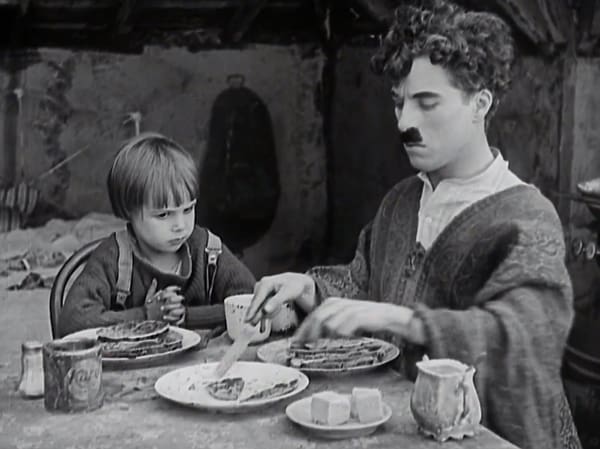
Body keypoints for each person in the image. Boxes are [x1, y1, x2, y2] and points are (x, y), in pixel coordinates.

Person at [245, 1, 581, 448]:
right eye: (399, 102)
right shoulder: (401, 202)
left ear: (480, 103)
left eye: (427, 103)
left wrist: (407, 321)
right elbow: (365, 285)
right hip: (401, 430)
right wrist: (308, 289)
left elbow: (525, 337)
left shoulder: (526, 218)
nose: (405, 123)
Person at [58, 132, 255, 337]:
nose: (180, 226)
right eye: (163, 215)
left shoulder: (208, 251)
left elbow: (252, 303)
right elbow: (72, 322)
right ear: (129, 211)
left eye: (188, 209)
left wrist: (189, 317)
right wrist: (146, 316)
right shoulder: (113, 258)